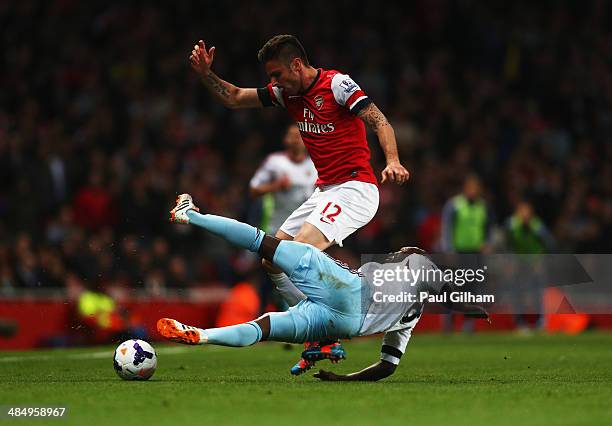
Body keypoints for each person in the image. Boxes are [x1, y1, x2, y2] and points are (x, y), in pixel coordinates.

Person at [189, 34, 410, 373]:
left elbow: (380, 121)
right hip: (325, 192)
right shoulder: (286, 94)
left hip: (356, 188)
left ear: (296, 65)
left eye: (276, 74)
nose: (271, 82)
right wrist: (206, 74)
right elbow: (233, 97)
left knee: (300, 252)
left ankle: (341, 314)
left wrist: (392, 160)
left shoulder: (337, 84)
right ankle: (319, 335)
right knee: (272, 260)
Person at [158, 194, 489, 381]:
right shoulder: (409, 318)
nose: (399, 251)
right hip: (346, 323)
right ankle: (201, 335)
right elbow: (388, 365)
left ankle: (192, 216)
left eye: (404, 249)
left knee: (265, 244)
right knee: (263, 327)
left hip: (349, 291)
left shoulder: (418, 263)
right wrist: (343, 380)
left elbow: (444, 288)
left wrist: (467, 305)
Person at [250, 124, 316, 311]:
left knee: (300, 281)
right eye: (291, 135)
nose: (295, 139)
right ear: (285, 140)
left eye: (299, 135)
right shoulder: (274, 162)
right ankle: (262, 322)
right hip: (274, 232)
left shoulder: (315, 165)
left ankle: (299, 322)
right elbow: (254, 189)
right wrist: (276, 186)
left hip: (303, 236)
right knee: (267, 280)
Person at [440, 174, 495, 332]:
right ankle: (448, 322)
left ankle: (468, 324)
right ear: (464, 188)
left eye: (475, 187)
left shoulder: (483, 206)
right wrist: (448, 249)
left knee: (472, 289)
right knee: (452, 287)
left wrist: (488, 243)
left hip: (476, 252)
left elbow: (489, 228)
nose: (472, 190)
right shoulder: (455, 205)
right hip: (458, 252)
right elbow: (447, 228)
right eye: (470, 187)